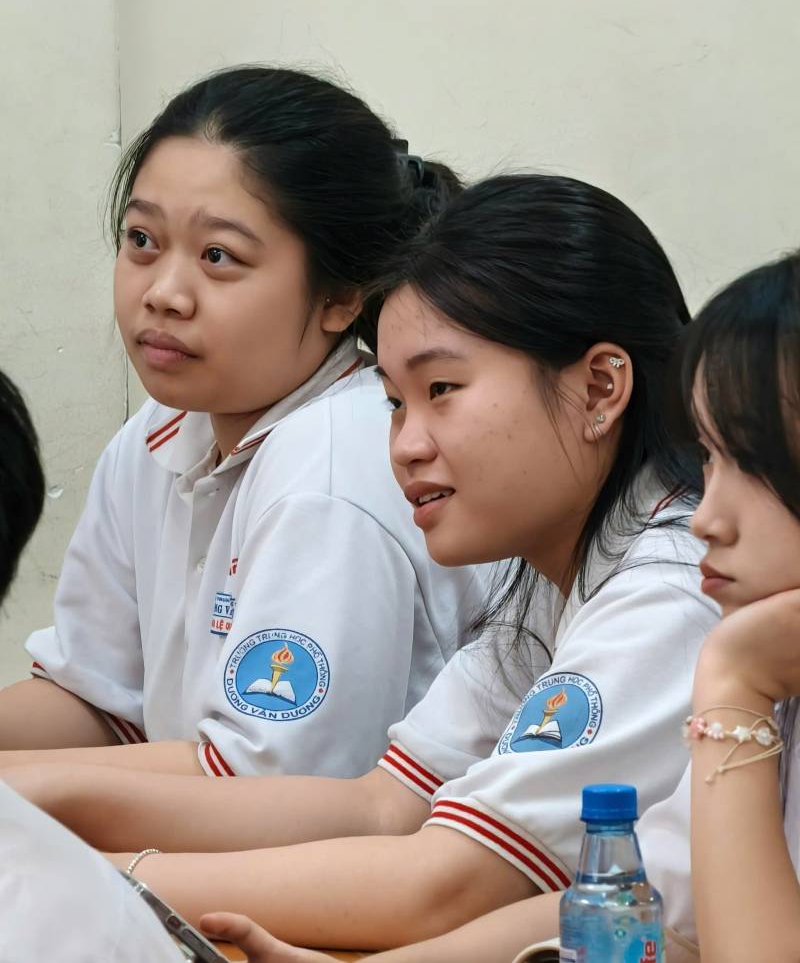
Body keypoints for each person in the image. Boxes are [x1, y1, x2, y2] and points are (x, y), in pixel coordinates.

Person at [5, 175, 720, 956]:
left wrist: (89, 874)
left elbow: (448, 882)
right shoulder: (554, 580)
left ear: (600, 388)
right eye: (396, 402)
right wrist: (44, 807)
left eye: (443, 390)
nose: (405, 446)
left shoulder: (669, 587)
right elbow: (384, 804)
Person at [0, 66, 485, 780]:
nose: (164, 293)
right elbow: (96, 698)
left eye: (218, 256)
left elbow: (261, 787)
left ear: (342, 295)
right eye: (142, 240)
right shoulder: (162, 430)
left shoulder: (334, 466)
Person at [631, 250, 800, 961]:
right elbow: (649, 911)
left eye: (754, 461)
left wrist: (735, 677)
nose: (706, 518)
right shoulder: (779, 659)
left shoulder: (750, 659)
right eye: (708, 456)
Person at [0, 368, 184, 961]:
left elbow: (261, 772)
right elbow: (94, 689)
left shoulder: (331, 479)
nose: (163, 308)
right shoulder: (155, 430)